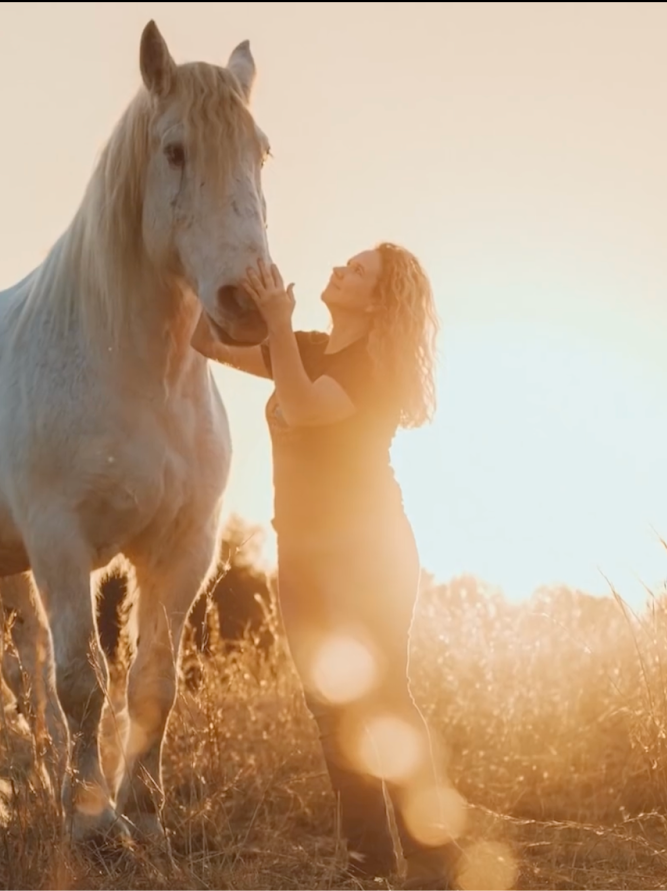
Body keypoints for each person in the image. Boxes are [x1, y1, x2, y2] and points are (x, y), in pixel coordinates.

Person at [192, 244, 463, 888]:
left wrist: (278, 322)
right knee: (330, 708)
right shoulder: (306, 348)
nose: (341, 268)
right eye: (348, 261)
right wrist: (184, 270)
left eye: (358, 271)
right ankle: (369, 863)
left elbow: (306, 409)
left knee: (384, 696)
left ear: (378, 301)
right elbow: (208, 342)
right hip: (303, 556)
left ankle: (434, 859)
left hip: (370, 553)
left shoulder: (373, 366)